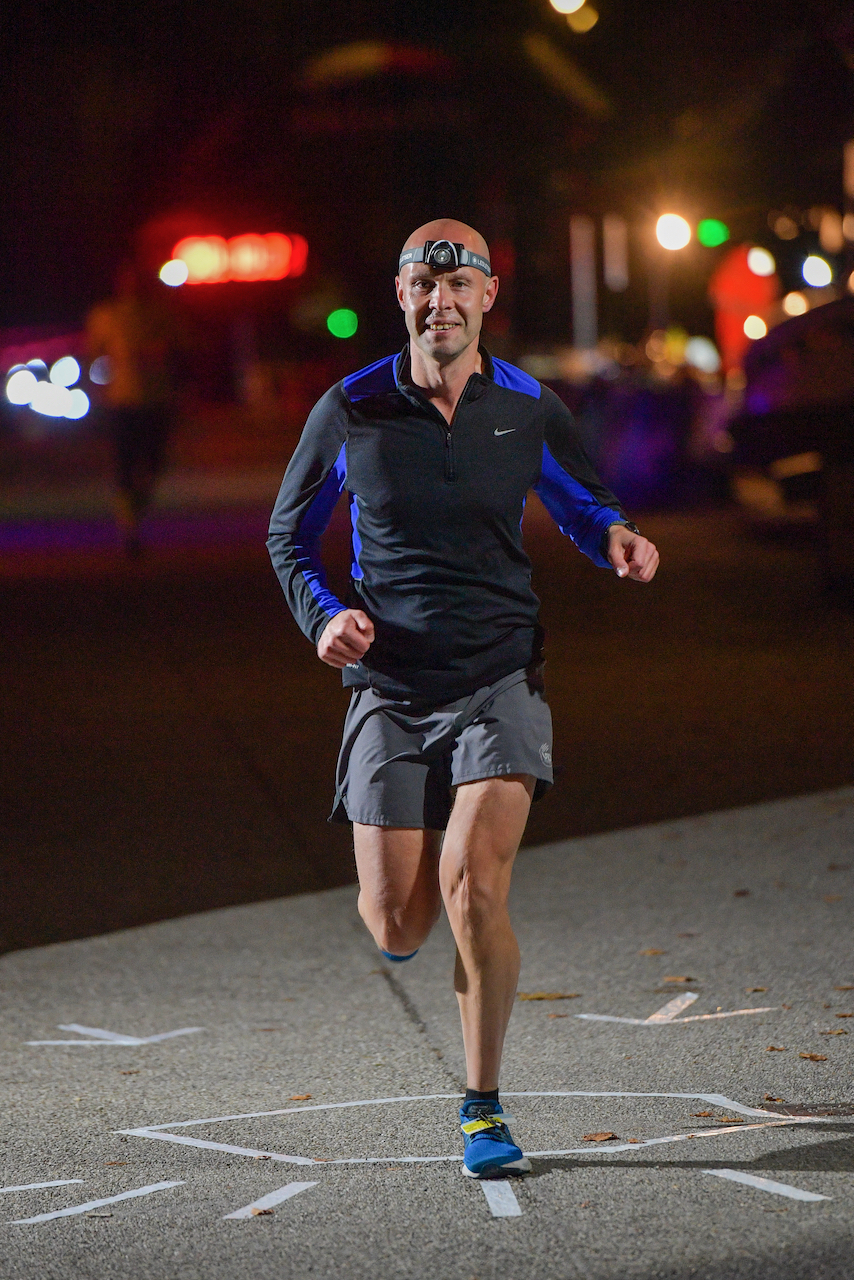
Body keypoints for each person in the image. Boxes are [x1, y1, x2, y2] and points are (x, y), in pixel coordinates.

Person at [268, 218, 659, 1179]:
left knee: (473, 881)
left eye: (459, 285)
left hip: (498, 675)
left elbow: (579, 499)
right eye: (421, 285)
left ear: (487, 295)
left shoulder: (527, 405)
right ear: (401, 293)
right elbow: (288, 536)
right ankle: (411, 913)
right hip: (391, 685)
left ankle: (483, 1106)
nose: (439, 302)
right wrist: (325, 616)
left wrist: (614, 535)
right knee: (395, 920)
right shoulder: (352, 407)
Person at [87, 264, 176, 557]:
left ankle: (136, 512)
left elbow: (178, 353)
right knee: (124, 463)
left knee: (153, 463)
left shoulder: (160, 315)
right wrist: (98, 389)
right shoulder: (105, 315)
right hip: (121, 400)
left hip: (155, 399)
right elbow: (93, 354)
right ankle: (129, 529)